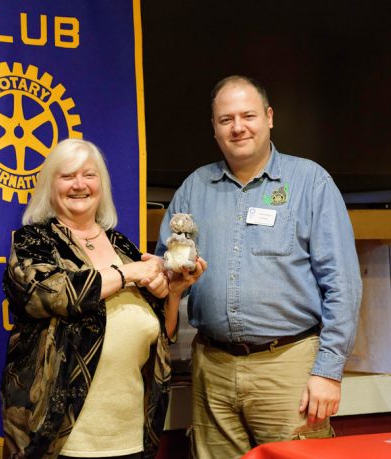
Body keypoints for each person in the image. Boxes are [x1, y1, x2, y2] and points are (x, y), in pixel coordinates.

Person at [155, 75, 362, 458]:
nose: (238, 127)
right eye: (225, 119)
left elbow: (343, 285)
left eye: (247, 115)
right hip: (211, 371)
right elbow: (164, 275)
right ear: (214, 129)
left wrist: (328, 372)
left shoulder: (311, 182)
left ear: (269, 118)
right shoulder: (194, 188)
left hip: (288, 367)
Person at [1, 138, 205, 459]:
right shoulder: (35, 241)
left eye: (89, 175)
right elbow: (45, 294)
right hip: (62, 439)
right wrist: (128, 274)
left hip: (131, 434)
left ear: (102, 185)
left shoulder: (122, 246)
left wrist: (175, 291)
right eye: (67, 176)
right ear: (49, 186)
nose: (79, 184)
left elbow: (162, 336)